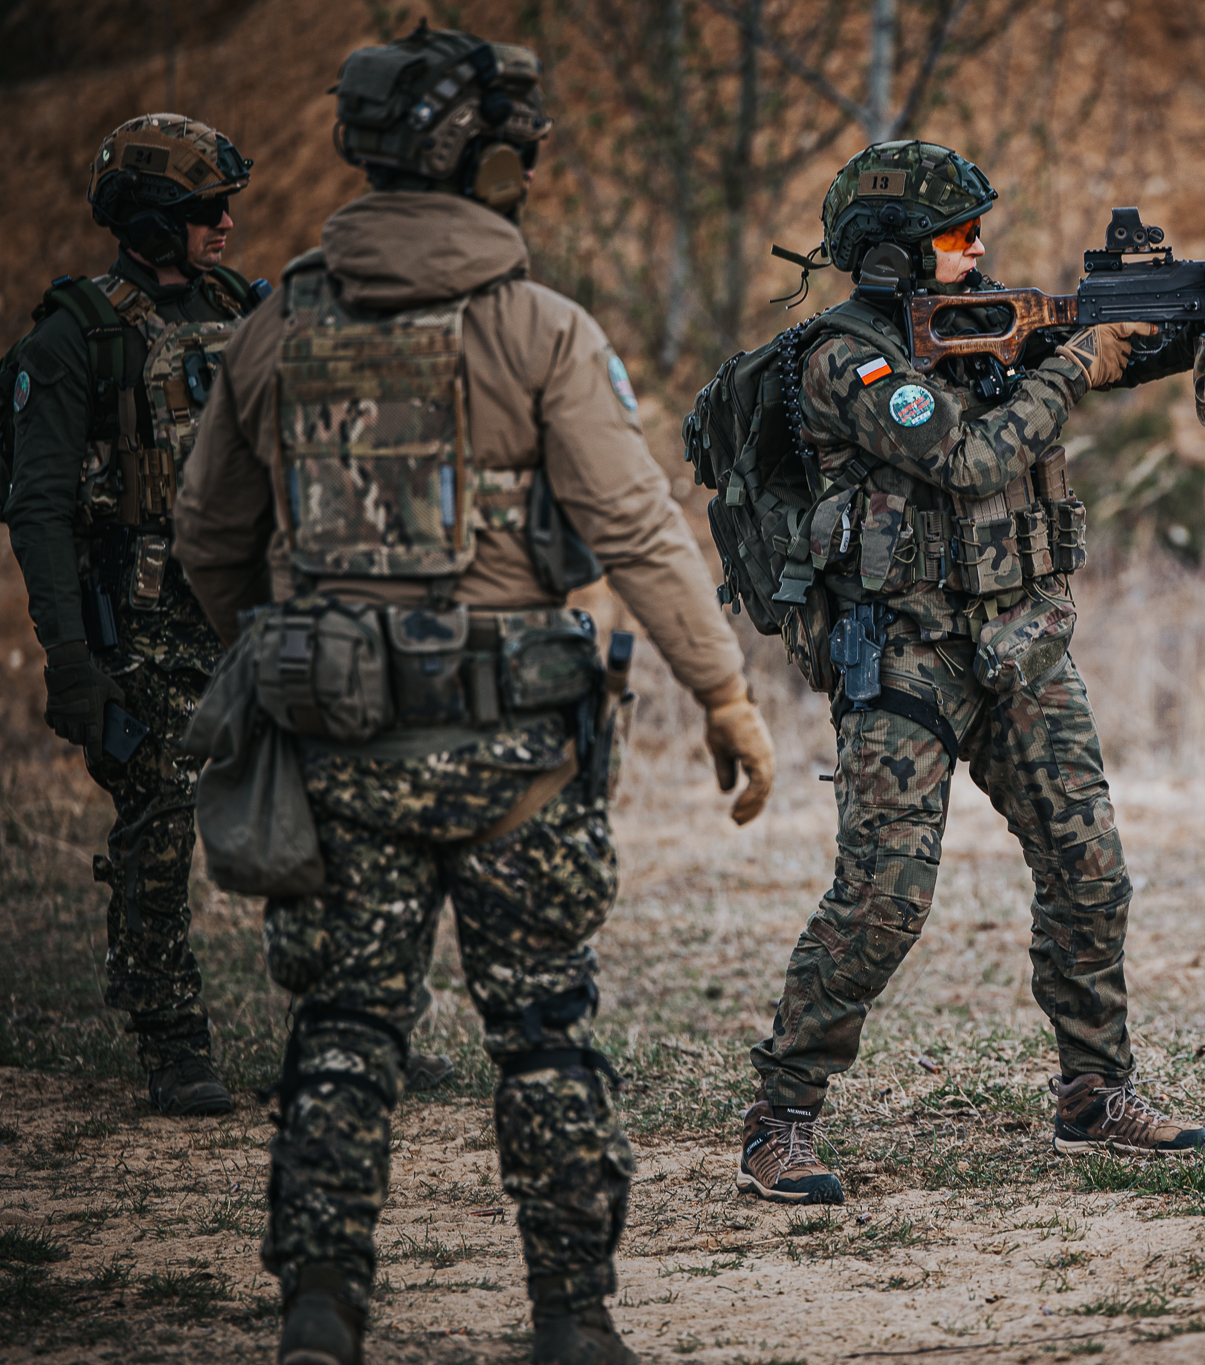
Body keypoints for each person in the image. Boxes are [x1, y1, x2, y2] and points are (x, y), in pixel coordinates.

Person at [173, 26, 775, 1365]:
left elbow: (208, 537)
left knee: (342, 1029)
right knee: (545, 1031)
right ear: (492, 161)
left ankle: (320, 1312)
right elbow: (635, 525)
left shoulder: (276, 321)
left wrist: (294, 658)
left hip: (340, 749)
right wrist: (727, 696)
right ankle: (573, 1316)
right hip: (519, 765)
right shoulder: (538, 327)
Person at [738, 141, 1205, 1208]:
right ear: (894, 256)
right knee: (883, 902)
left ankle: (1094, 1089)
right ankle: (781, 1117)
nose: (979, 250)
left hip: (1018, 641)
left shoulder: (993, 329)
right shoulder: (845, 360)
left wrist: (1200, 322)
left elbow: (1113, 352)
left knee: (1089, 865)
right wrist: (1071, 367)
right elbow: (966, 457)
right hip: (902, 656)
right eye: (956, 238)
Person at [5, 113, 263, 1117]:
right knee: (157, 831)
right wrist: (69, 655)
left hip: (247, 607)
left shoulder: (244, 306)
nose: (228, 225)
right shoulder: (73, 336)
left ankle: (349, 1025)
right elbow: (37, 505)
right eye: (206, 211)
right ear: (151, 221)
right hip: (144, 622)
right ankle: (170, 1039)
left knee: (327, 800)